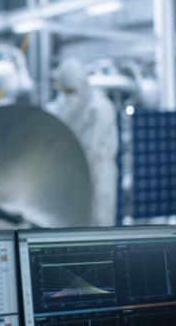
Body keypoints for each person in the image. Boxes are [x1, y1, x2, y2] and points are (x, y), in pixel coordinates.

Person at [45, 57, 119, 226]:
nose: (67, 97)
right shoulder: (56, 108)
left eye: (71, 91)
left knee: (99, 223)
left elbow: (91, 149)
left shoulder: (100, 109)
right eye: (64, 90)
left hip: (98, 177)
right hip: (65, 178)